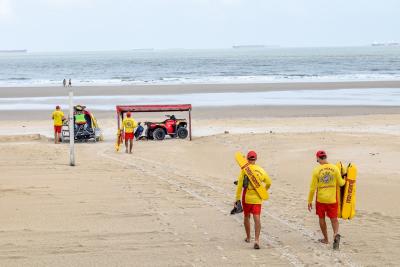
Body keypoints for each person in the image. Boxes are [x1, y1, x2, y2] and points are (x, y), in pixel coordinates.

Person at [308, 150, 345, 250]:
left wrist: (309, 201)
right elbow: (341, 184)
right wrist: (345, 178)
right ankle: (336, 234)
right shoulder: (335, 168)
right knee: (334, 219)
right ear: (326, 157)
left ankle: (326, 239)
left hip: (321, 199)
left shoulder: (316, 170)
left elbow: (312, 188)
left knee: (321, 218)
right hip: (332, 199)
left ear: (317, 158)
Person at [234, 151, 272, 249]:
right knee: (257, 218)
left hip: (247, 197)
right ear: (255, 159)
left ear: (247, 159)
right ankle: (257, 240)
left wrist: (237, 199)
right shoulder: (261, 170)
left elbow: (239, 186)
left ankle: (248, 237)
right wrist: (263, 191)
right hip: (257, 198)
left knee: (247, 217)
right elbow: (269, 182)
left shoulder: (244, 170)